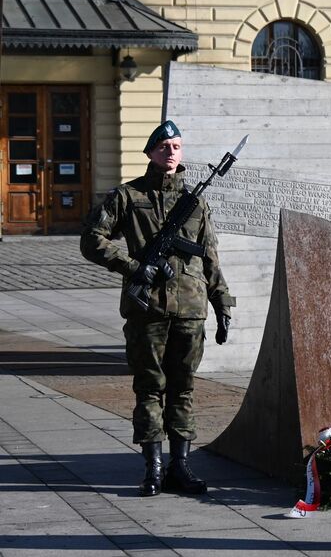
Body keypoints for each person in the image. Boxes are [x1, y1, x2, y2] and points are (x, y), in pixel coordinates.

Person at [81, 121, 235, 497]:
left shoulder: (196, 202)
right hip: (147, 308)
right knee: (150, 388)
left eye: (177, 146)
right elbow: (91, 239)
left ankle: (180, 467)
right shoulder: (127, 197)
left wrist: (222, 303)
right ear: (150, 152)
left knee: (183, 388)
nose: (171, 152)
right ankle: (153, 468)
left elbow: (210, 257)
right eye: (164, 145)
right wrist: (134, 267)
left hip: (190, 309)